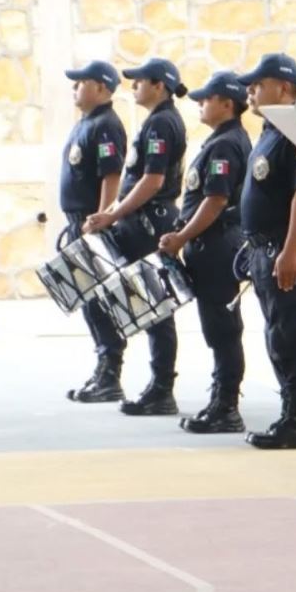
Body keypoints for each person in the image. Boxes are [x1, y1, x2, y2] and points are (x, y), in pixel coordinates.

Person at [85, 58, 187, 416]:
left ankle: (161, 388)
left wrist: (113, 212)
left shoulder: (161, 122)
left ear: (159, 85)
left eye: (140, 81)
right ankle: (154, 384)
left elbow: (153, 180)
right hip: (142, 221)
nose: (133, 87)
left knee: (156, 307)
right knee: (145, 304)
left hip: (150, 223)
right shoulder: (157, 120)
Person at [238, 54, 296, 449]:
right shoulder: (270, 131)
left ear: (286, 88)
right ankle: (290, 415)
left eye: (259, 83)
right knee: (279, 333)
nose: (250, 90)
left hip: (289, 246)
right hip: (268, 248)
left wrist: (291, 251)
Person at [156, 71, 253, 434]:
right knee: (217, 328)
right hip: (209, 244)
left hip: (218, 245)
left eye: (206, 99)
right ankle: (220, 401)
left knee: (223, 329)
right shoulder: (221, 140)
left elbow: (215, 200)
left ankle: (226, 406)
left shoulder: (226, 144)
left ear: (227, 103)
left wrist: (181, 237)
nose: (200, 103)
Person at [58, 60, 128, 404]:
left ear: (101, 87)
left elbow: (110, 176)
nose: (75, 89)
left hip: (90, 222)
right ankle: (102, 367)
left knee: (97, 300)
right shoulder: (86, 123)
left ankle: (110, 371)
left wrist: (102, 218)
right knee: (87, 299)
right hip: (77, 221)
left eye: (81, 83)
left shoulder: (106, 125)